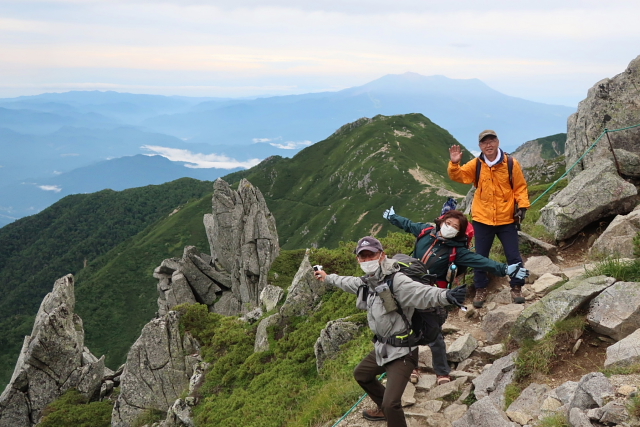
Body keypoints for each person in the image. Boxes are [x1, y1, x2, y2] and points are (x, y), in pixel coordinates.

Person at [314, 236, 466, 427]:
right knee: (362, 374)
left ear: (382, 255)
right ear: (358, 260)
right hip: (383, 347)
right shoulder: (368, 282)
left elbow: (421, 292)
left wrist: (446, 295)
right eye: (363, 257)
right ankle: (383, 411)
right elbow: (348, 282)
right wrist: (327, 277)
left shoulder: (397, 280)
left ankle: (388, 411)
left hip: (404, 351)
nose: (368, 260)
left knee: (391, 402)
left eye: (372, 255)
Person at [383, 207, 529, 385]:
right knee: (405, 327)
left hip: (432, 293)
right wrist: (393, 217)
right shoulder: (426, 232)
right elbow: (408, 225)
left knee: (433, 331)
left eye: (455, 226)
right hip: (407, 288)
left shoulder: (458, 252)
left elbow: (482, 261)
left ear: (460, 232)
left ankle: (442, 372)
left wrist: (505, 269)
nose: (450, 227)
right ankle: (412, 368)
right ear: (441, 222)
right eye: (448, 223)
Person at [448, 129, 531, 308]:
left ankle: (516, 287)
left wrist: (522, 205)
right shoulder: (476, 164)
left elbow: (520, 187)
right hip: (482, 218)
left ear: (498, 142)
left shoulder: (510, 163)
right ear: (480, 146)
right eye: (484, 142)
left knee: (513, 255)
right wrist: (454, 164)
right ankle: (480, 288)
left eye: (491, 141)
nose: (488, 145)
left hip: (506, 218)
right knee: (480, 256)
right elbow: (459, 176)